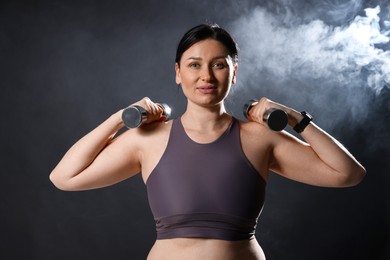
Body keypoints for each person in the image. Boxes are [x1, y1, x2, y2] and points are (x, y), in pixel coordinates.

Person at [50, 24, 366, 260]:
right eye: (194, 64)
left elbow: (348, 174)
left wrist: (296, 119)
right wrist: (119, 118)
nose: (206, 76)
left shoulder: (258, 138)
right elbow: (65, 177)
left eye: (218, 64)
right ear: (177, 72)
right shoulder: (148, 139)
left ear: (234, 72)